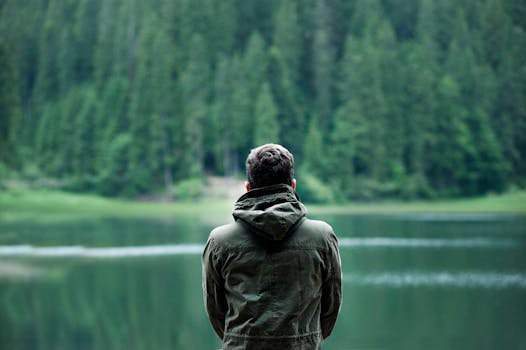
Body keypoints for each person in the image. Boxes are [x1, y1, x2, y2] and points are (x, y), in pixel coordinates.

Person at [202, 143, 342, 349]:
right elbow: (331, 306)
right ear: (292, 186)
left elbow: (215, 310)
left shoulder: (220, 241)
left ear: (248, 188)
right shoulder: (322, 237)